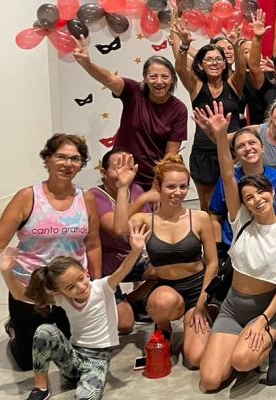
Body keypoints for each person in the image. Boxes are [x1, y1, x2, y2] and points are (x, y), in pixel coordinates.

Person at [196, 104, 276, 391]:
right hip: (233, 307)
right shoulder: (241, 221)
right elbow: (228, 175)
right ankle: (239, 342)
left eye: (261, 193)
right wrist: (221, 137)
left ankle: (270, 346)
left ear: (273, 192)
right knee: (210, 381)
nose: (256, 200)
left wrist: (263, 320)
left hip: (267, 309)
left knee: (242, 361)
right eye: (248, 198)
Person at [0, 134, 102, 371]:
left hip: (71, 290)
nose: (68, 164)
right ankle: (15, 328)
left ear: (81, 164)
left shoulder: (86, 199)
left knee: (75, 354)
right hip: (30, 289)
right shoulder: (27, 197)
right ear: (48, 159)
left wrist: (98, 286)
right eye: (61, 156)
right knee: (27, 363)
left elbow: (93, 244)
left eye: (75, 159)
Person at [11, 222, 147, 400]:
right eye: (70, 287)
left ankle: (86, 381)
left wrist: (136, 250)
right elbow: (21, 296)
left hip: (97, 360)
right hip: (73, 357)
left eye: (81, 279)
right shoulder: (63, 299)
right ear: (59, 291)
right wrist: (7, 273)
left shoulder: (102, 288)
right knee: (44, 331)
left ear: (86, 272)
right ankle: (40, 389)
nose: (80, 287)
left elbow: (122, 271)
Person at [207, 126, 276, 324]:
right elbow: (219, 202)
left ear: (263, 147)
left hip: (272, 240)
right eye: (241, 146)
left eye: (252, 143)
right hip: (240, 245)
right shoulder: (233, 189)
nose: (248, 148)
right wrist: (218, 252)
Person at [115, 155, 217, 365]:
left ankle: (199, 321)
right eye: (171, 186)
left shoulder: (199, 218)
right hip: (166, 289)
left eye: (183, 186)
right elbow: (119, 228)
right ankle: (164, 328)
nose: (177, 192)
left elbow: (213, 263)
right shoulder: (146, 220)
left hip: (197, 289)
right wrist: (124, 187)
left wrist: (201, 303)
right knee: (162, 302)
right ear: (158, 187)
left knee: (196, 359)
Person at [73, 40, 187, 189]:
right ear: (145, 77)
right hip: (120, 174)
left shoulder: (179, 109)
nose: (159, 82)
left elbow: (170, 154)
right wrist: (87, 64)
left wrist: (157, 185)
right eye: (153, 76)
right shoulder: (133, 91)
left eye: (165, 77)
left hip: (151, 180)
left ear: (172, 79)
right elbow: (108, 78)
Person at [172, 22, 246, 208]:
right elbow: (180, 69)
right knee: (209, 205)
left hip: (232, 151)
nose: (214, 63)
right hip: (204, 154)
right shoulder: (196, 85)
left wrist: (235, 45)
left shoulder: (234, 83)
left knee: (236, 202)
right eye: (209, 60)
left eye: (218, 59)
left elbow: (242, 69)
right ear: (200, 64)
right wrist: (184, 45)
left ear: (225, 63)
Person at [88, 150, 156, 321]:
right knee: (125, 324)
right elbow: (118, 229)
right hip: (109, 265)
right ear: (103, 172)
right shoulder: (94, 196)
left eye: (129, 168)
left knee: (173, 267)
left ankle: (134, 299)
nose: (124, 173)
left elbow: (148, 225)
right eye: (118, 167)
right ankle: (119, 305)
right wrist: (140, 200)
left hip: (136, 257)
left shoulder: (136, 189)